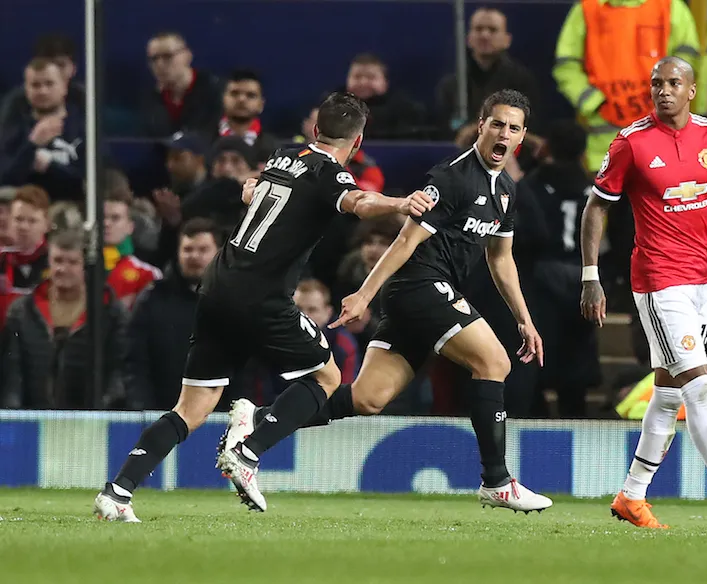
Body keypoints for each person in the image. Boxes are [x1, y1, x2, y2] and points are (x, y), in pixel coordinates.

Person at [93, 92, 435, 521]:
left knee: (193, 407)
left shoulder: (282, 156)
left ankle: (117, 491)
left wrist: (252, 189)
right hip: (260, 295)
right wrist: (401, 202)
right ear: (358, 141)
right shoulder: (330, 174)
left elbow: (257, 189)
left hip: (218, 285)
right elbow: (360, 203)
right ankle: (249, 451)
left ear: (314, 131)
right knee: (327, 376)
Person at [221, 89, 553, 513]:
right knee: (495, 363)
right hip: (421, 287)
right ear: (481, 126)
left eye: (513, 127)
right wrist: (364, 293)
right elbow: (405, 239)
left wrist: (525, 319)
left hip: (425, 297)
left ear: (522, 136)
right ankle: (497, 481)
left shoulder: (505, 188)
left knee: (367, 399)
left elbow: (501, 258)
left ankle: (257, 430)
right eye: (497, 124)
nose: (503, 133)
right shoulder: (452, 176)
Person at [579, 57, 707, 530]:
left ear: (691, 89)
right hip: (658, 283)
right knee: (701, 386)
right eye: (656, 83)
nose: (664, 91)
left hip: (701, 284)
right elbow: (597, 208)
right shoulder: (630, 143)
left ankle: (631, 496)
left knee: (669, 394)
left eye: (673, 83)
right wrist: (590, 273)